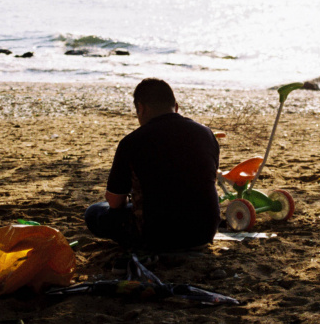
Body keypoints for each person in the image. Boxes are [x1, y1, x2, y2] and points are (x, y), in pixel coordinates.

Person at [85, 78, 221, 251]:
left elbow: (114, 201)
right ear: (176, 107)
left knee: (94, 212)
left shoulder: (132, 142)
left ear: (141, 108)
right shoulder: (206, 134)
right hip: (204, 232)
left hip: (157, 235)